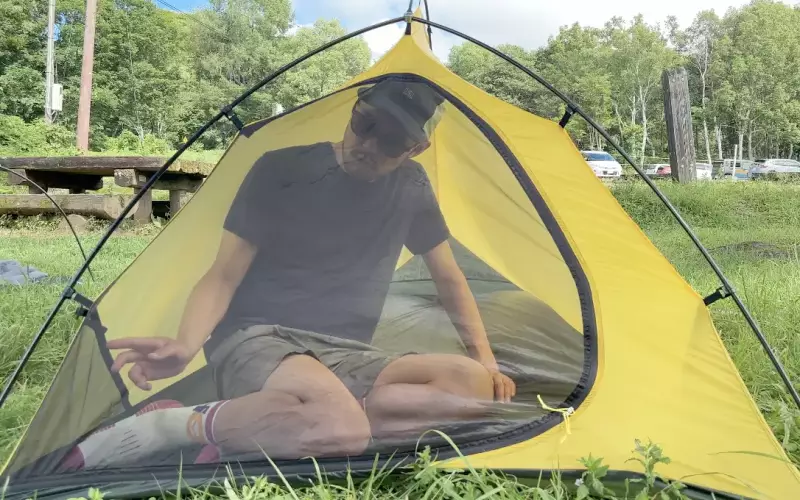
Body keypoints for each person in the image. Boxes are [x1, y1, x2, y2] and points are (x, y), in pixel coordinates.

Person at [68, 79, 516, 469]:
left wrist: (486, 361)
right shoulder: (282, 168)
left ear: (416, 148)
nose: (369, 145)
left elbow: (449, 278)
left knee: (470, 386)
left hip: (345, 353)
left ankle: (277, 422)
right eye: (366, 124)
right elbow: (223, 275)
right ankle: (175, 424)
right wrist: (186, 345)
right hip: (257, 336)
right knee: (342, 430)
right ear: (354, 110)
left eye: (393, 140)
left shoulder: (412, 186)